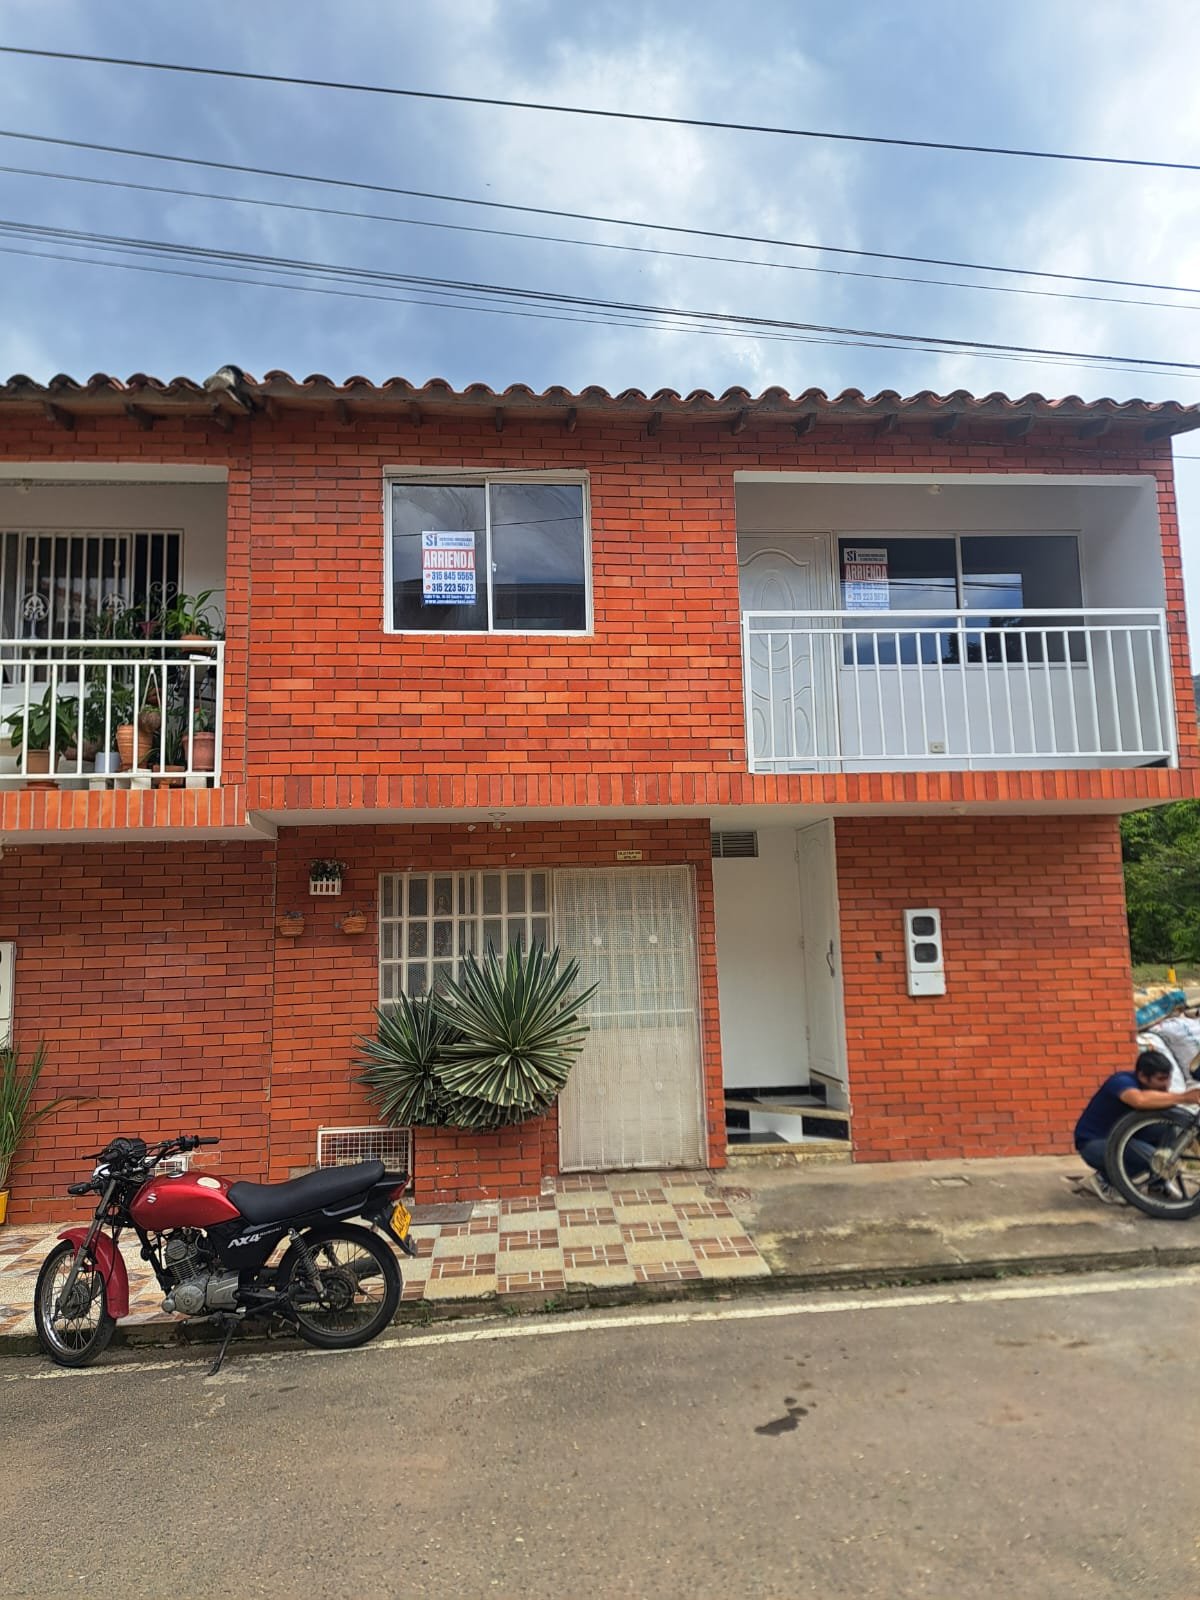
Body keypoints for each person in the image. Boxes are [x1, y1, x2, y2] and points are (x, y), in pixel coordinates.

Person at [1073, 1050, 1200, 1203]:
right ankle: (1104, 1180)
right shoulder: (1121, 1082)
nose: (1166, 1085)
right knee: (1155, 1158)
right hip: (1094, 1143)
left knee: (1169, 1128)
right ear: (1142, 1076)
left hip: (1124, 1137)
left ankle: (1158, 1186)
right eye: (1161, 1079)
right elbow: (1139, 1100)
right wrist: (1184, 1097)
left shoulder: (1153, 1089)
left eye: (1168, 1078)